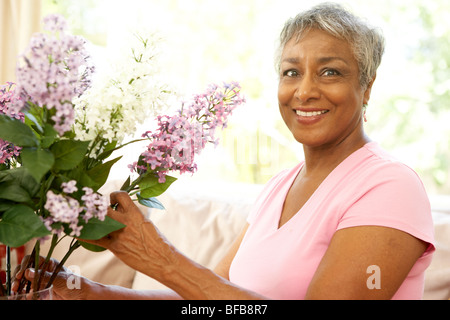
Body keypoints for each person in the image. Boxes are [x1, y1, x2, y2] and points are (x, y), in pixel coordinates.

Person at [13, 3, 434, 300]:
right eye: (291, 72)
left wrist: (161, 259)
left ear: (368, 87)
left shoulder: (388, 186)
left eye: (330, 71)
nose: (305, 90)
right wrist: (87, 292)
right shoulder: (280, 186)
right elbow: (209, 300)